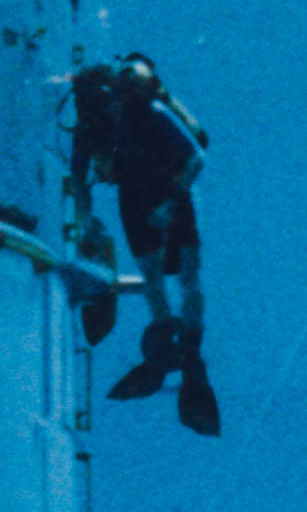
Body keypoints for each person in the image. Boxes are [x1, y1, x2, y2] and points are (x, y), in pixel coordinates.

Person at [71, 54, 219, 434]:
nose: (101, 115)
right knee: (153, 272)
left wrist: (170, 203)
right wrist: (84, 223)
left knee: (186, 270)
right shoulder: (90, 129)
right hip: (134, 194)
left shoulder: (150, 112)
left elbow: (196, 155)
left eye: (103, 105)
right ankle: (166, 331)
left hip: (171, 187)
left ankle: (190, 344)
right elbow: (77, 177)